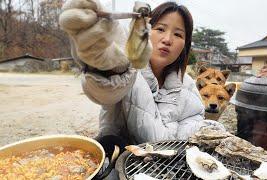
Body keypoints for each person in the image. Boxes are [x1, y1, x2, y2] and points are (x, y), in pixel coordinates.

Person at [59, 0, 225, 155]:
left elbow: (187, 133)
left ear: (185, 45)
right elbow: (105, 91)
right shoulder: (125, 70)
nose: (167, 39)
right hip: (117, 161)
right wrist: (102, 66)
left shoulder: (189, 88)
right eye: (160, 29)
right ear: (145, 30)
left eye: (178, 34)